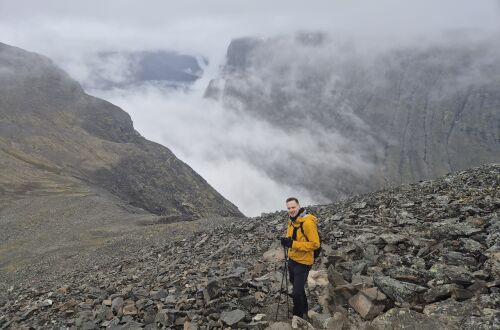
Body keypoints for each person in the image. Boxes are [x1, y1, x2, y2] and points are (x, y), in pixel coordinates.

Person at [280, 197, 320, 319]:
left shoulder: (308, 223)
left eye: (293, 207)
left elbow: (315, 244)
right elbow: (292, 238)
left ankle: (298, 316)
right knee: (298, 288)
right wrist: (287, 241)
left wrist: (292, 244)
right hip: (292, 260)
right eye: (289, 208)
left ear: (299, 206)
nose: (291, 210)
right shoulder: (291, 221)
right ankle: (304, 309)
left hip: (303, 262)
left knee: (296, 292)